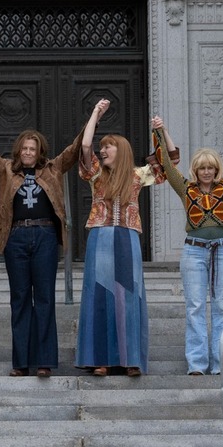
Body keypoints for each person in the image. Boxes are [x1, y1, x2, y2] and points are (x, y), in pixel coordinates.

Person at [0, 100, 84, 378]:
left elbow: (73, 151)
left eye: (32, 149)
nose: (28, 152)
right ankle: (21, 362)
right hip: (17, 237)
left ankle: (45, 361)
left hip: (45, 235)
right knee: (20, 298)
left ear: (40, 152)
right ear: (18, 151)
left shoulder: (53, 168)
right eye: (24, 148)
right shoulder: (6, 169)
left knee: (45, 298)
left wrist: (93, 116)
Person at [151, 112, 223, 375]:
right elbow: (165, 163)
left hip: (222, 249)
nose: (207, 172)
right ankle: (197, 363)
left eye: (210, 167)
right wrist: (160, 131)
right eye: (202, 168)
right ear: (195, 170)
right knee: (195, 306)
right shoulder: (186, 188)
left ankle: (221, 362)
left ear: (216, 169)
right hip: (194, 250)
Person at [76, 99, 167, 378]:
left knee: (129, 294)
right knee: (100, 294)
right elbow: (84, 146)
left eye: (108, 146)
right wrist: (95, 113)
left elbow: (168, 163)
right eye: (102, 147)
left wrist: (161, 132)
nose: (103, 150)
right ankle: (99, 359)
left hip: (128, 236)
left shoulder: (138, 175)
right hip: (101, 236)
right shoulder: (95, 174)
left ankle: (131, 359)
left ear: (122, 150)